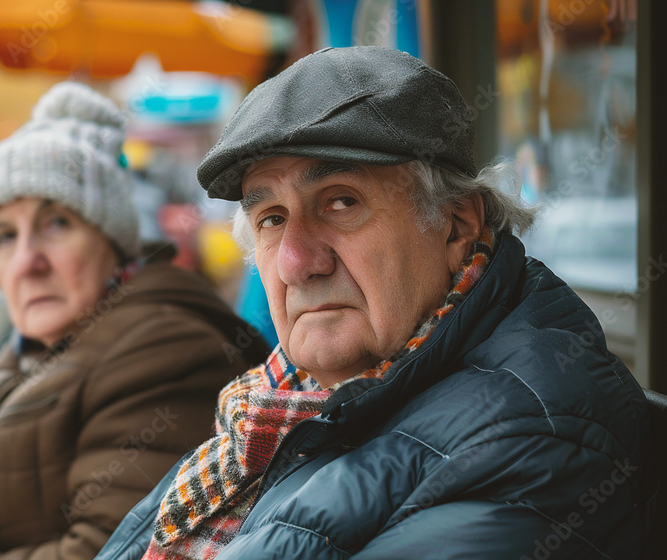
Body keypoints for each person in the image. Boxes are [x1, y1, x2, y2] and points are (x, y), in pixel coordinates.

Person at [95, 47, 651, 560]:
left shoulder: (530, 442)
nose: (296, 261)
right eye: (271, 219)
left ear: (458, 223)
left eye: (340, 202)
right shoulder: (281, 405)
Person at [0, 82, 271, 560]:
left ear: (113, 242)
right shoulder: (37, 347)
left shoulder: (164, 348)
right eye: (5, 236)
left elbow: (106, 550)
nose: (27, 261)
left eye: (56, 225)